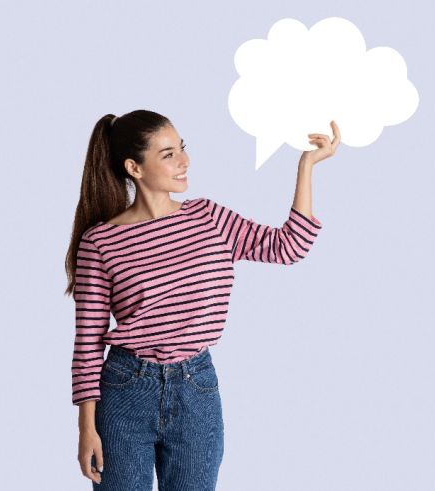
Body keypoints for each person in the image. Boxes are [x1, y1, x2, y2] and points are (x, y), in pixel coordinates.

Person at [63, 109, 340, 489]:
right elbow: (88, 341)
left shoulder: (209, 218)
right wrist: (86, 429)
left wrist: (306, 167)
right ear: (135, 167)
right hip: (125, 391)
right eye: (168, 154)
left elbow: (288, 246)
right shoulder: (101, 242)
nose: (184, 161)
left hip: (196, 388)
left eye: (182, 148)